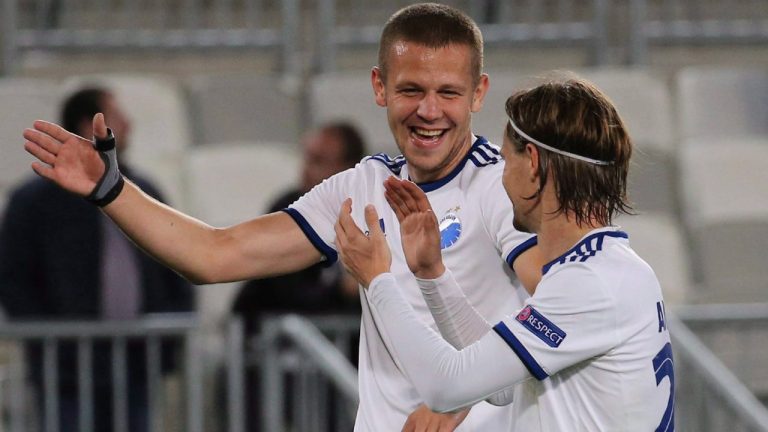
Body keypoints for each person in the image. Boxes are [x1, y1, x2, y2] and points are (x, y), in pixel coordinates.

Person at [22, 4, 543, 430]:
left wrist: (461, 390)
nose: (429, 111)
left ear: (478, 93)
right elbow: (213, 255)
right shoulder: (360, 186)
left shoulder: (505, 186)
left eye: (448, 92)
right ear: (380, 87)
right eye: (411, 90)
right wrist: (111, 189)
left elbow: (560, 311)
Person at [335, 77, 676, 431]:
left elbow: (445, 387)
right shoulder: (615, 268)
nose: (501, 176)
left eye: (504, 160)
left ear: (532, 163)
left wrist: (377, 280)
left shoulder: (588, 282)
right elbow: (504, 390)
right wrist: (432, 274)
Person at [0, 87, 195, 432]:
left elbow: (178, 261)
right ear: (92, 127)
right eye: (118, 118)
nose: (130, 126)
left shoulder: (145, 191)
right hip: (66, 372)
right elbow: (13, 279)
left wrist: (166, 337)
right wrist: (51, 342)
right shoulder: (33, 203)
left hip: (137, 364)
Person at [231, 122, 365, 431]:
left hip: (332, 365)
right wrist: (343, 291)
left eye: (319, 160)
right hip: (268, 362)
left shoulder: (368, 213)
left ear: (348, 168)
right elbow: (287, 291)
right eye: (307, 157)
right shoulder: (288, 209)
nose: (306, 169)